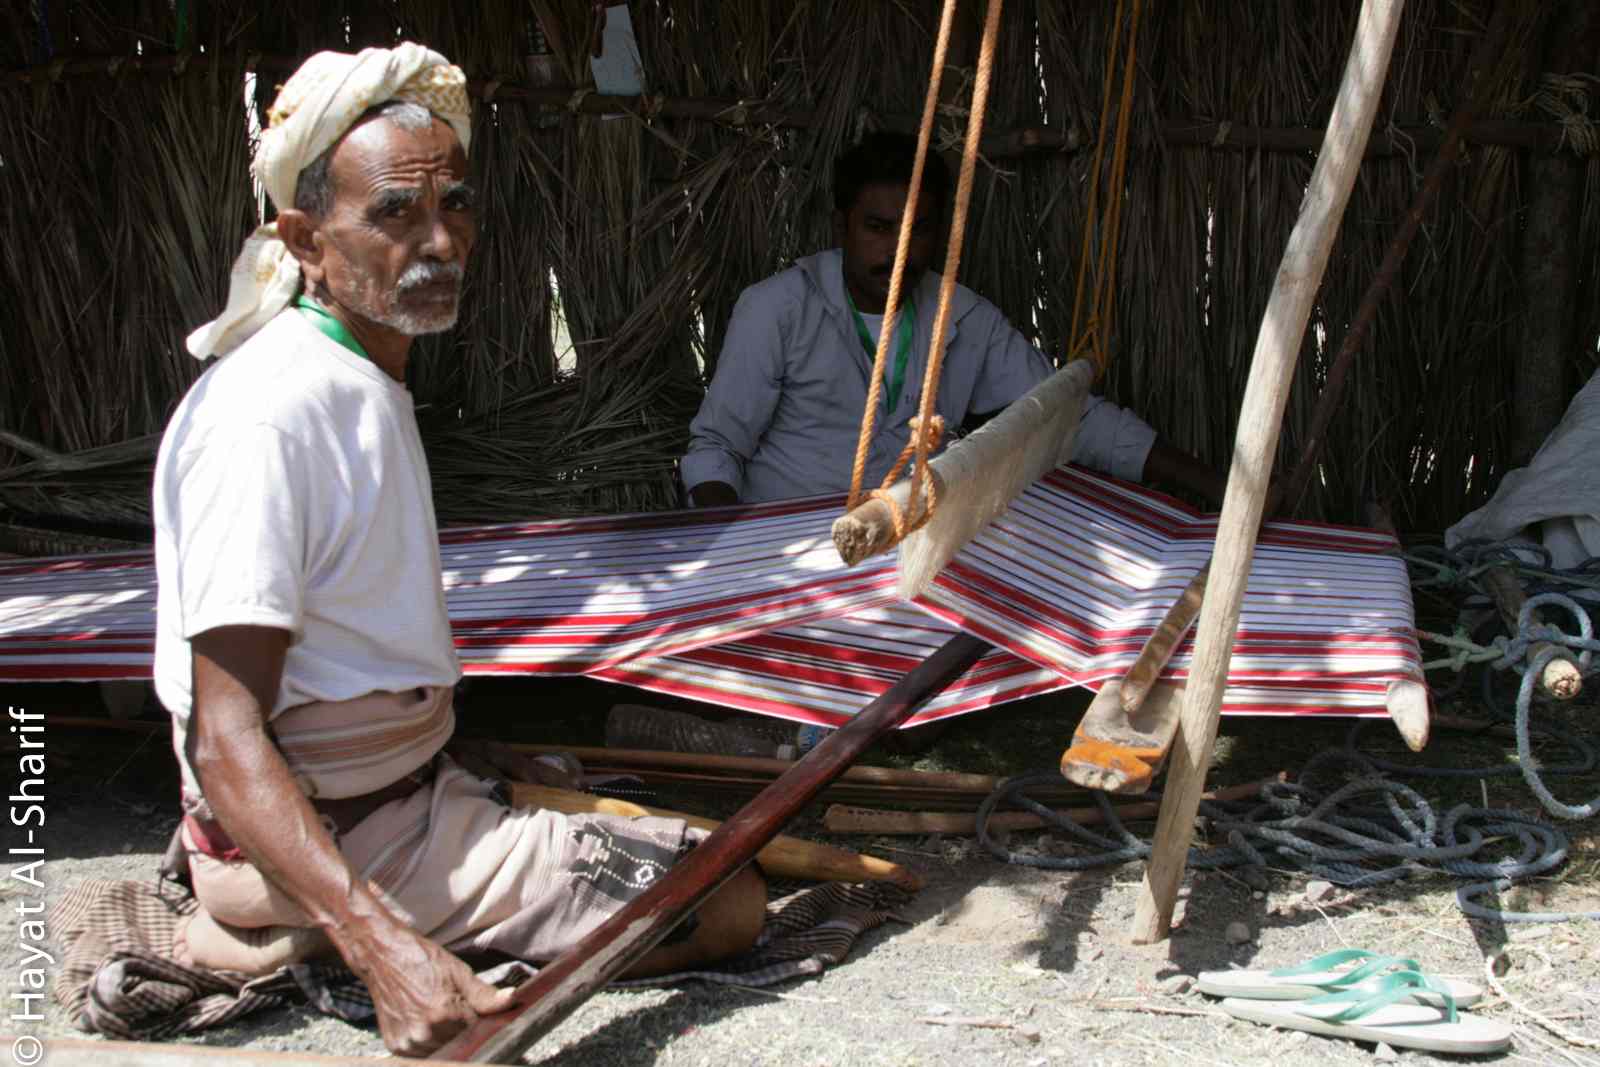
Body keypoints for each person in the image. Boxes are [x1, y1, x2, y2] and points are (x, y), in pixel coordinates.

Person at [154, 44, 764, 1058]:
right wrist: (381, 944)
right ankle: (311, 926)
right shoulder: (271, 414)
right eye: (394, 213)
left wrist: (437, 748)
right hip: (349, 837)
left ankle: (339, 910)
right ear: (305, 239)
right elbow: (225, 736)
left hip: (396, 800)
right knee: (726, 900)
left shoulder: (357, 380)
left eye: (456, 206)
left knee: (678, 850)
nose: (441, 240)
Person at [681, 131, 1224, 508]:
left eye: (917, 231)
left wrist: (1221, 487)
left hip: (907, 557)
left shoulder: (961, 317)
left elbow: (1065, 416)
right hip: (788, 552)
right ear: (840, 226)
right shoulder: (778, 309)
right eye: (878, 227)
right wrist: (738, 564)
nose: (898, 251)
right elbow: (716, 452)